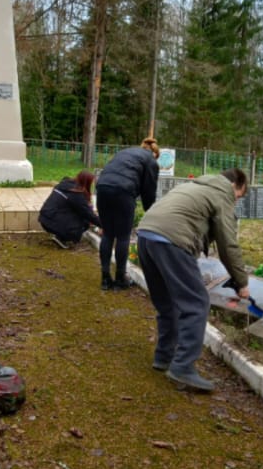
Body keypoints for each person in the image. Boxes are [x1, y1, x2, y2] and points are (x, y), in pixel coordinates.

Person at [135, 168, 251, 393]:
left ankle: (164, 357)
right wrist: (242, 282)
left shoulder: (195, 186)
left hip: (146, 236)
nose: (236, 202)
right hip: (171, 240)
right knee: (197, 304)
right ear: (235, 185)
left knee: (167, 304)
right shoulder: (222, 194)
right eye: (239, 197)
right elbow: (228, 244)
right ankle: (183, 367)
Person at [94, 136, 160, 291]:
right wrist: (151, 212)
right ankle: (120, 278)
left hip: (103, 187)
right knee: (123, 236)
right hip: (123, 191)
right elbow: (149, 191)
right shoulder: (151, 161)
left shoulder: (127, 152)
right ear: (155, 154)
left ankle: (105, 279)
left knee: (108, 234)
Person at [38, 171, 101, 248]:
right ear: (86, 183)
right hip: (52, 221)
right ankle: (62, 237)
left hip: (44, 218)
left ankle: (59, 233)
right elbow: (88, 214)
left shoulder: (64, 185)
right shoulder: (76, 194)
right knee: (85, 221)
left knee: (78, 214)